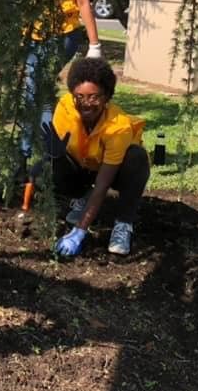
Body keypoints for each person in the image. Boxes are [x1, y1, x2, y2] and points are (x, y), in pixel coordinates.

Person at [39, 57, 149, 257]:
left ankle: (123, 223)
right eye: (79, 96)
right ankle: (81, 197)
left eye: (94, 97)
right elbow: (59, 156)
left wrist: (80, 231)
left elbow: (102, 185)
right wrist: (55, 157)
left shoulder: (118, 126)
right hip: (82, 166)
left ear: (106, 96)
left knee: (137, 157)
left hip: (113, 172)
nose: (86, 104)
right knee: (45, 166)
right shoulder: (65, 108)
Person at [20, 0, 103, 161]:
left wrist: (95, 44)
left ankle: (25, 155)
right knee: (41, 92)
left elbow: (82, 0)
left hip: (62, 34)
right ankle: (50, 157)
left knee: (33, 88)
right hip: (34, 33)